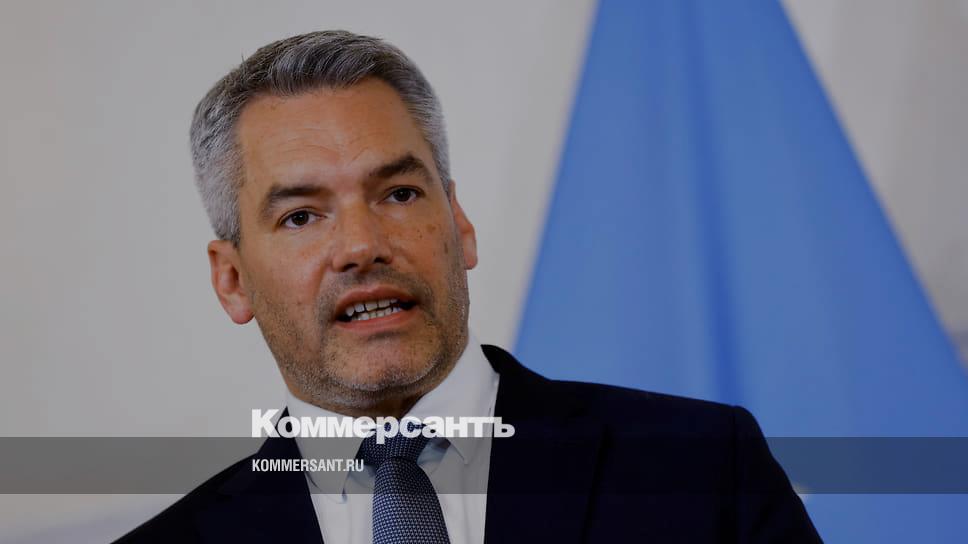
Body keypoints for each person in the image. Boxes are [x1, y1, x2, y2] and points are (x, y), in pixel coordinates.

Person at [117, 30, 821, 543]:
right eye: (301, 215)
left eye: (398, 194)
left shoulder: (701, 467)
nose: (361, 246)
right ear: (232, 280)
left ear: (459, 224)